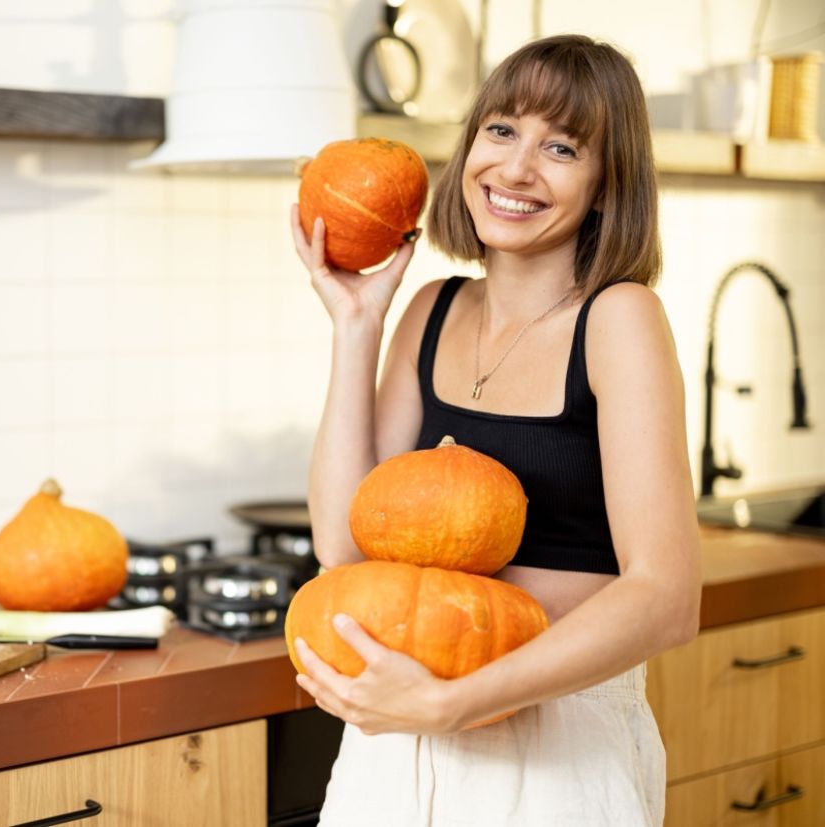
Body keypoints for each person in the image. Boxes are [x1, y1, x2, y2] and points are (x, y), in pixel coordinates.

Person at [288, 34, 701, 826]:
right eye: (502, 130)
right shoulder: (432, 309)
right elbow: (344, 547)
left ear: (608, 185)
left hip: (556, 739)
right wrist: (356, 325)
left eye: (562, 146)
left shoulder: (620, 320)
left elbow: (667, 597)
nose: (515, 169)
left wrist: (453, 700)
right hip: (396, 741)